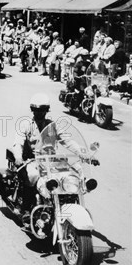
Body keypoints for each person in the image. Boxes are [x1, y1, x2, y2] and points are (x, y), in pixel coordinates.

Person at [10, 93, 97, 224]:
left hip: (51, 159)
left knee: (73, 174)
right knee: (33, 176)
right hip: (31, 159)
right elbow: (18, 143)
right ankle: (26, 208)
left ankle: (69, 203)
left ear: (47, 110)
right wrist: (18, 157)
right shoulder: (26, 125)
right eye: (37, 110)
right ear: (32, 110)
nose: (40, 113)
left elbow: (68, 141)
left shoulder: (52, 126)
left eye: (43, 109)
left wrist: (83, 154)